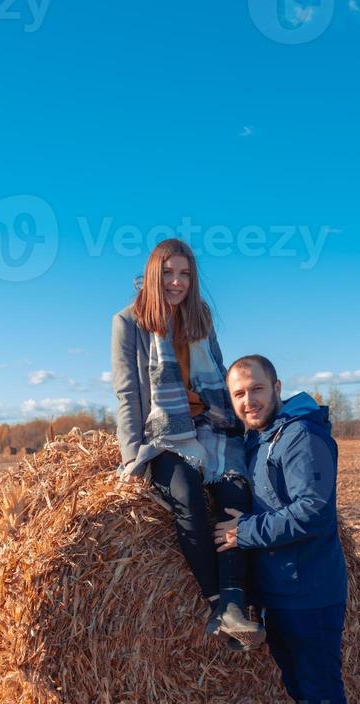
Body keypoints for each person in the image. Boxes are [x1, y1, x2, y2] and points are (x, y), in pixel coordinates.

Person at [214, 354, 360, 704]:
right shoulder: (259, 440)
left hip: (313, 596)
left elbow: (312, 511)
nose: (248, 401)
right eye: (239, 394)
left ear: (276, 387)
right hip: (283, 595)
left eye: (256, 389)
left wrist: (243, 532)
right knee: (306, 703)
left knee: (328, 703)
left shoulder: (301, 435)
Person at [111, 240, 265, 647]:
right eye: (168, 274)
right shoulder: (128, 322)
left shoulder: (201, 316)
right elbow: (128, 394)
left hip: (210, 425)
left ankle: (234, 599)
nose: (177, 282)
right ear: (153, 274)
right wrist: (131, 460)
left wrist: (248, 418)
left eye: (184, 275)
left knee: (236, 490)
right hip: (164, 433)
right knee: (188, 497)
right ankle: (217, 601)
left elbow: (218, 370)